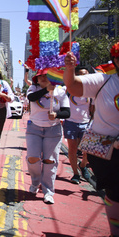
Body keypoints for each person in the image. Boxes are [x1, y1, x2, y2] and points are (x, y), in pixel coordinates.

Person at [64, 42, 119, 237]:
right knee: (115, 194)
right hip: (108, 151)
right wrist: (70, 69)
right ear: (115, 61)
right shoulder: (103, 80)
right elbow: (73, 86)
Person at [26, 68, 70, 205]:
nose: (43, 79)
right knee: (33, 158)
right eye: (41, 77)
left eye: (46, 76)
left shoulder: (60, 91)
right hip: (34, 128)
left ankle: (48, 191)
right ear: (37, 79)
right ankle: (35, 182)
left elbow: (67, 112)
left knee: (50, 161)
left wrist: (56, 115)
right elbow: (31, 98)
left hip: (53, 130)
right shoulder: (33, 88)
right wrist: (46, 90)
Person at [63, 65, 93, 184]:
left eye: (85, 74)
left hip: (86, 123)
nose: (83, 77)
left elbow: (93, 108)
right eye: (80, 74)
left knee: (87, 150)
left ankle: (83, 164)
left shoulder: (92, 90)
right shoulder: (68, 89)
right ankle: (75, 174)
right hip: (71, 122)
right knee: (72, 149)